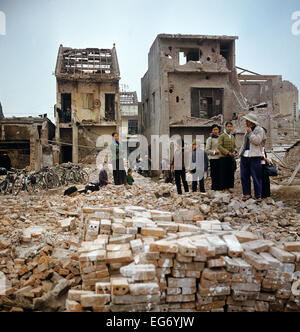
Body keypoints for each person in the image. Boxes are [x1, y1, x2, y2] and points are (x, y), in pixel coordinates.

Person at [239, 113, 267, 202]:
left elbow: (257, 141)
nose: (245, 122)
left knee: (256, 176)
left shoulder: (260, 130)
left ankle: (258, 195)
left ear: (251, 122)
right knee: (244, 175)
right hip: (245, 156)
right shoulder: (247, 130)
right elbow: (244, 143)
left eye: (247, 121)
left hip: (254, 156)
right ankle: (247, 194)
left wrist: (250, 133)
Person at [218, 122, 238, 193]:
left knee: (230, 172)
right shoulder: (222, 136)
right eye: (228, 126)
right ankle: (224, 187)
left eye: (230, 127)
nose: (229, 128)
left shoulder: (232, 136)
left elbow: (235, 146)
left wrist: (234, 151)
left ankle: (229, 187)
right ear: (225, 127)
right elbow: (219, 146)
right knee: (224, 172)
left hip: (231, 157)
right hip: (224, 157)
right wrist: (227, 152)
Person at [206, 124, 222, 191]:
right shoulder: (210, 139)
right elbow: (207, 150)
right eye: (214, 129)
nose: (216, 131)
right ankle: (214, 188)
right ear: (212, 130)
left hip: (220, 158)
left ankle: (219, 188)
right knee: (214, 174)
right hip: (213, 159)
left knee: (220, 173)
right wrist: (215, 152)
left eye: (217, 129)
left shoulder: (220, 138)